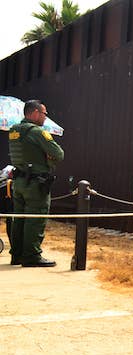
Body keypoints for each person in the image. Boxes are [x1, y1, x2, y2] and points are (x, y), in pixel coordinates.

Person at [8, 100, 64, 267]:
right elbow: (59, 154)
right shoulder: (37, 132)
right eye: (44, 113)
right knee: (35, 218)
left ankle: (17, 255)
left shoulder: (13, 130)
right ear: (34, 113)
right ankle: (32, 256)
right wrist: (47, 156)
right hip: (35, 184)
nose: (45, 117)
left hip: (18, 182)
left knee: (19, 219)